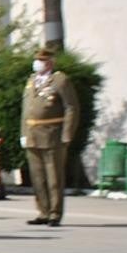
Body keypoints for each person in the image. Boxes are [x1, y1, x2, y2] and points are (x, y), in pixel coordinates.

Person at [19, 48, 78, 227]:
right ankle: (43, 211)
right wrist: (23, 133)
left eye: (41, 60)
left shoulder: (60, 80)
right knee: (38, 177)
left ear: (50, 63)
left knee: (54, 177)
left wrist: (67, 133)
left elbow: (71, 107)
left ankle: (55, 213)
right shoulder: (31, 80)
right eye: (36, 60)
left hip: (52, 135)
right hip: (32, 134)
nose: (37, 63)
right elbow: (26, 110)